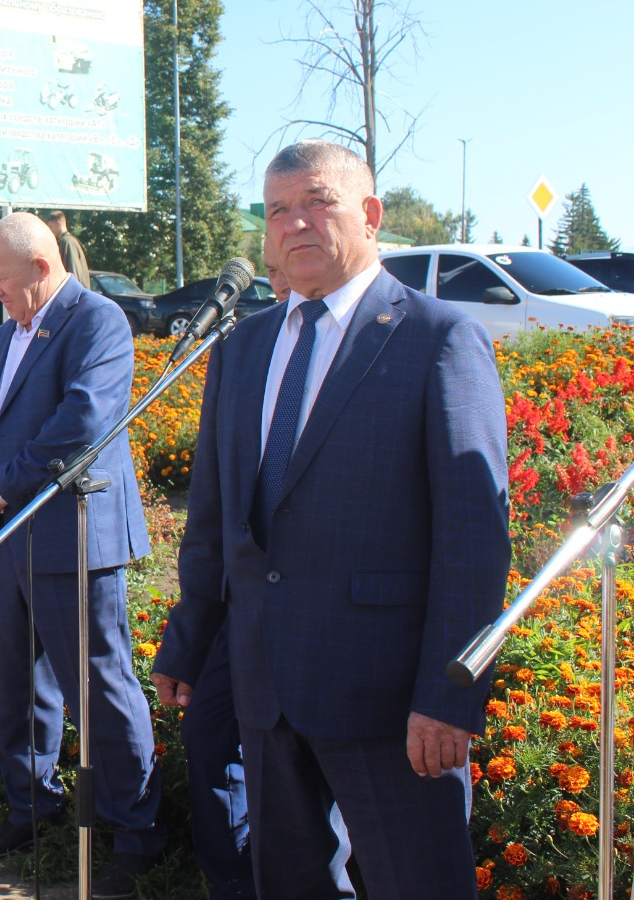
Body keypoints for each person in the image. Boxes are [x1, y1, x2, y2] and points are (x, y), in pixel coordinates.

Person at [151, 140, 510, 900]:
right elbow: (215, 519)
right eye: (278, 210)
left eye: (318, 202)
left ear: (370, 214)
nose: (295, 224)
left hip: (389, 699)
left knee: (420, 885)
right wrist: (189, 639)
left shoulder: (436, 338)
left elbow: (474, 538)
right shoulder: (242, 349)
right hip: (265, 687)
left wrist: (449, 693)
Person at [0, 212, 161, 898]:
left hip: (73, 535)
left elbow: (82, 422)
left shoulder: (97, 322)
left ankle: (134, 836)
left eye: (0, 278)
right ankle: (31, 809)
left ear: (42, 268)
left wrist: (1, 487)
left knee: (98, 689)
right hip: (10, 533)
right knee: (18, 682)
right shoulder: (6, 332)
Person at [43, 210, 90, 290]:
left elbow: (73, 271)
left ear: (58, 223)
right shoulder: (71, 241)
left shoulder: (66, 242)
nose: (50, 230)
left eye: (51, 226)